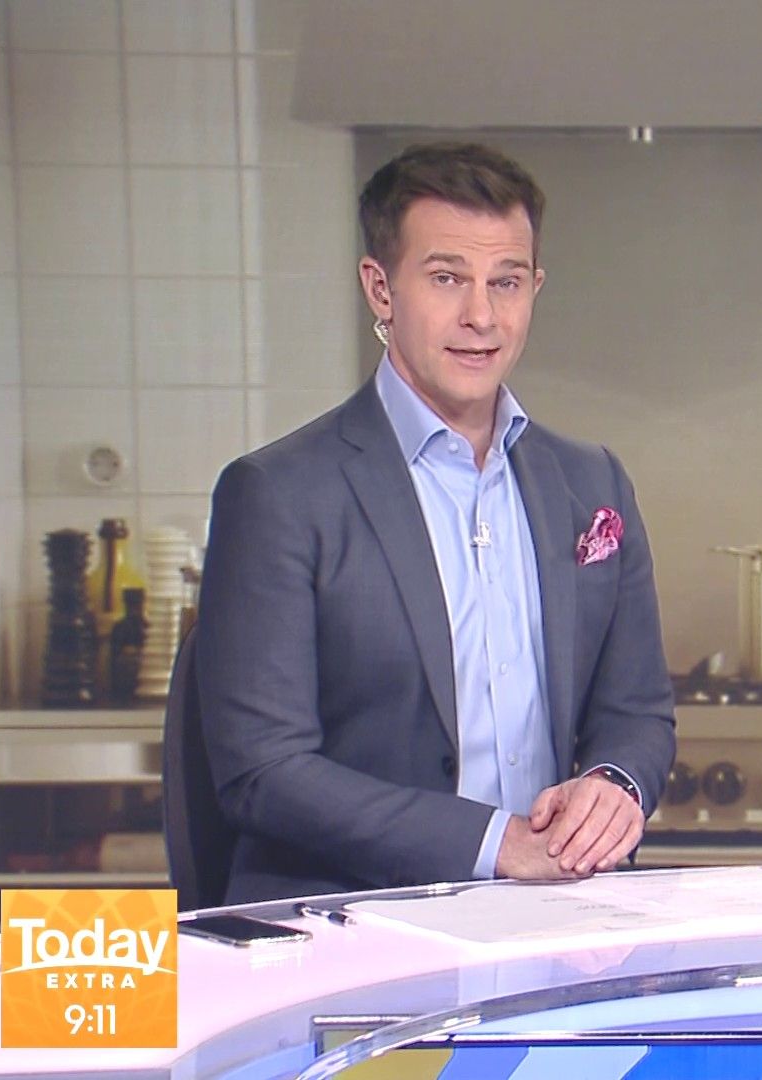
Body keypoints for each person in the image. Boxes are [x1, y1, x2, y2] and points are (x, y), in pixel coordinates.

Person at [197, 142, 676, 903]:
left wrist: (615, 786)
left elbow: (638, 712)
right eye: (447, 278)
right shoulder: (278, 494)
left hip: (561, 919)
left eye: (506, 282)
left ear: (534, 289)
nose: (481, 316)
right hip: (355, 926)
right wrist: (494, 844)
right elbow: (264, 769)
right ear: (380, 288)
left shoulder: (592, 482)